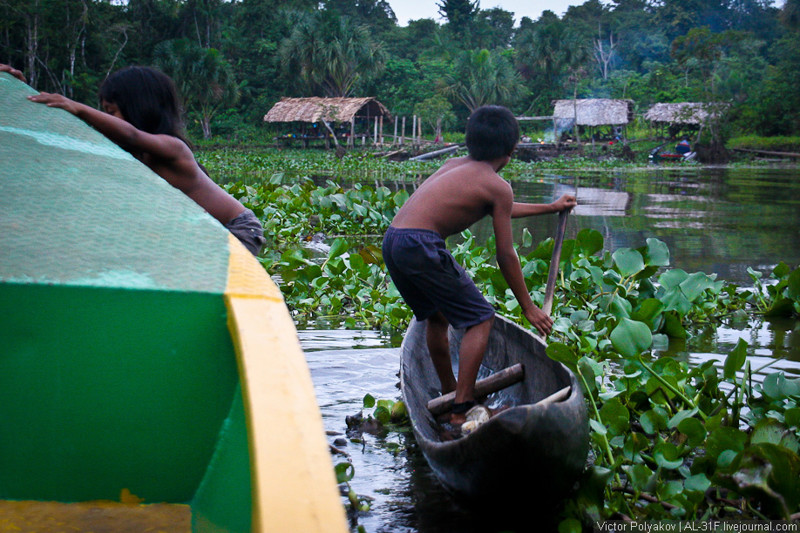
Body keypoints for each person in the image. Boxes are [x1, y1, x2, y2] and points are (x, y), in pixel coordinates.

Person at [382, 105, 576, 428]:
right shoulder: (497, 187)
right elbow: (505, 254)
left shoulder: (454, 165)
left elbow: (501, 207)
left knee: (437, 317)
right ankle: (461, 408)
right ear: (512, 150)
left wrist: (551, 207)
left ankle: (449, 394)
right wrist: (528, 307)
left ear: (470, 142)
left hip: (394, 240)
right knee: (482, 319)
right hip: (420, 245)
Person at [8, 64, 265, 256]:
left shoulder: (174, 149)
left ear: (140, 107)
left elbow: (130, 134)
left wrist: (77, 106)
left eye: (111, 112)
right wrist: (21, 94)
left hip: (237, 230)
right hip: (199, 232)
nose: (107, 119)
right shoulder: (132, 156)